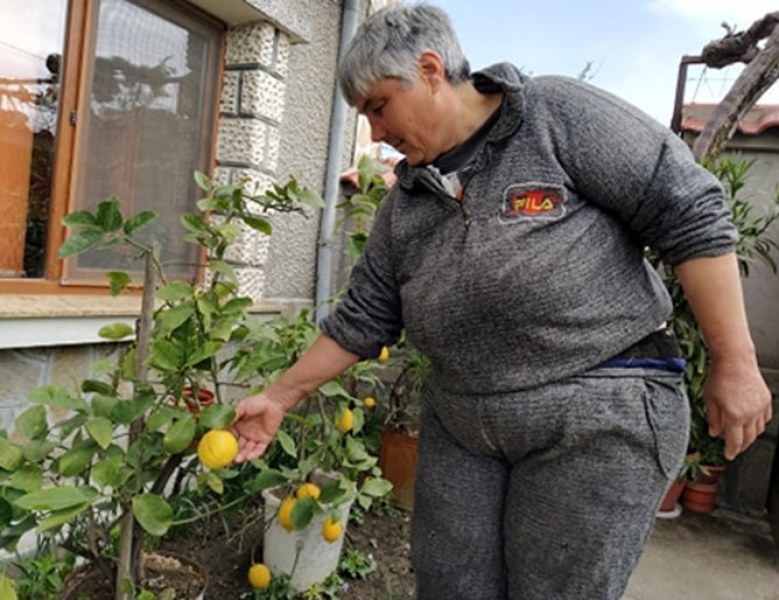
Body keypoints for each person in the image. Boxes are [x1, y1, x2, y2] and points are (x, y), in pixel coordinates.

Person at [232, 3, 772, 598]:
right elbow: (365, 315)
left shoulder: (552, 115)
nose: (377, 133)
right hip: (465, 421)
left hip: (596, 406)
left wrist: (735, 361)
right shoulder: (404, 204)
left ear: (431, 70)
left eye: (379, 107)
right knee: (449, 586)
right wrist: (279, 397)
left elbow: (687, 208)